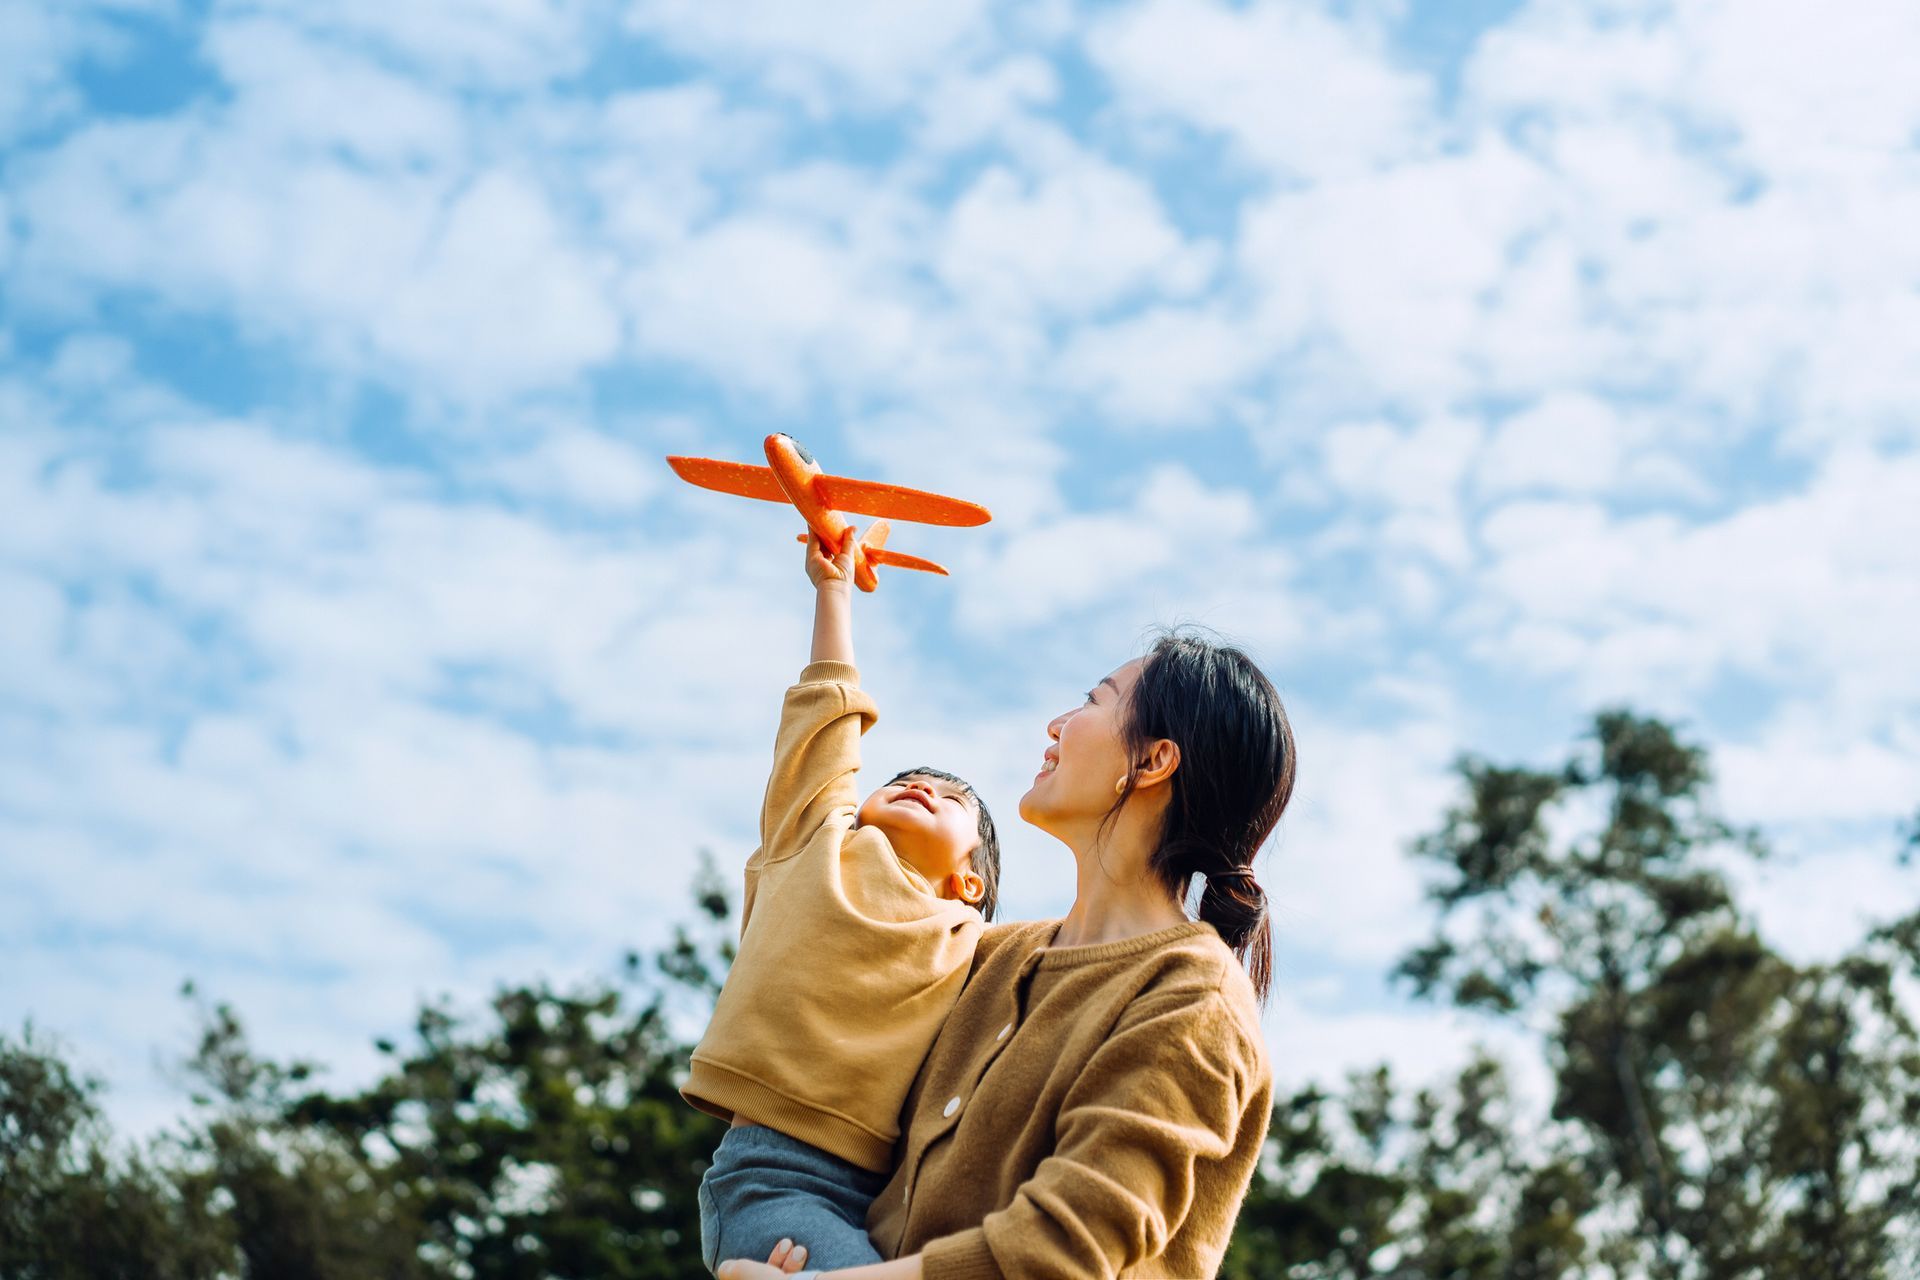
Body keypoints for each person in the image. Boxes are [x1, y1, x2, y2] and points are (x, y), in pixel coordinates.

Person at [720, 626, 1295, 1280]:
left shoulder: (1192, 998)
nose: (1057, 725)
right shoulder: (985, 958)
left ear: (1152, 762)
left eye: (1092, 701)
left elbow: (1062, 1251)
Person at [687, 528, 1002, 1275]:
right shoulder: (816, 843)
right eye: (906, 779)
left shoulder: (969, 940)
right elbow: (825, 724)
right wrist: (833, 591)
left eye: (956, 800)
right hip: (769, 1178)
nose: (927, 785)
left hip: (889, 1197)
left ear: (971, 882)